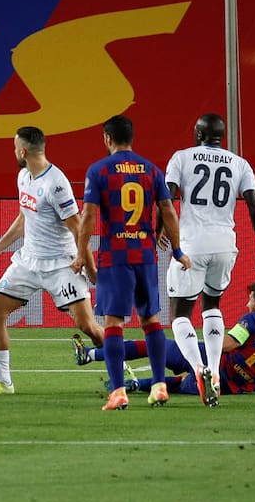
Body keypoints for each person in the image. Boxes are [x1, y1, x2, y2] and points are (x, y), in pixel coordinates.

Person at [0, 126, 104, 395]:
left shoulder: (56, 184)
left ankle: (122, 367)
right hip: (29, 262)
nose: (13, 152)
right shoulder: (24, 177)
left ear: (23, 151)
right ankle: (3, 382)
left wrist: (89, 265)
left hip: (61, 264)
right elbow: (24, 217)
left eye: (14, 148)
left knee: (88, 326)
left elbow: (77, 227)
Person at [75, 115, 190, 410]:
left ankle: (118, 392)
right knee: (150, 320)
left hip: (116, 256)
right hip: (146, 256)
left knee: (113, 323)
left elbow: (87, 216)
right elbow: (168, 210)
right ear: (132, 137)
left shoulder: (98, 170)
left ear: (107, 139)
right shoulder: (152, 170)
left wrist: (80, 252)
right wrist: (176, 251)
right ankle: (160, 386)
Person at [163, 113, 255, 406]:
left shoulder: (182, 158)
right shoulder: (240, 164)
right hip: (225, 244)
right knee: (212, 304)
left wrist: (162, 229)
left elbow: (167, 198)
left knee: (181, 314)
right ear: (221, 137)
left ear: (198, 135)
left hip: (191, 245)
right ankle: (214, 371)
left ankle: (198, 369)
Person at [75, 280, 255, 398]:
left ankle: (90, 355)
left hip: (211, 360)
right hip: (229, 387)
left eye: (250, 300)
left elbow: (227, 344)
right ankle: (137, 386)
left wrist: (192, 342)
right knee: (181, 383)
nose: (247, 304)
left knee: (153, 345)